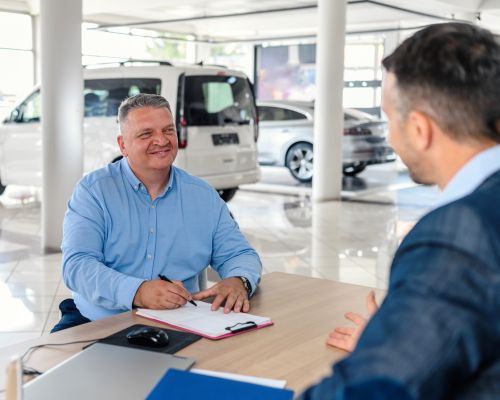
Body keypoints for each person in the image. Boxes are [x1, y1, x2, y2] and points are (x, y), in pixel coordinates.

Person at [300, 22, 500, 399]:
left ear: (420, 129)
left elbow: (376, 389)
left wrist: (386, 354)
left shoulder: (459, 232)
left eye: (391, 118)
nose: (391, 135)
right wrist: (399, 333)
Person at [52, 94, 261, 332]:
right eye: (146, 134)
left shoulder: (203, 196)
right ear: (123, 145)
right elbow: (77, 266)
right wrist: (137, 291)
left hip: (182, 321)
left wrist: (238, 280)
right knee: (46, 357)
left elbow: (239, 253)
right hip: (98, 320)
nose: (161, 140)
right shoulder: (93, 192)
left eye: (168, 130)